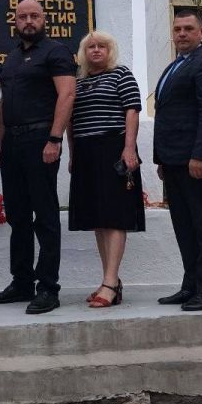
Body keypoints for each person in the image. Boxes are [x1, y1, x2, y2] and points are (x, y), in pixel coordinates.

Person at [0, 0, 76, 315]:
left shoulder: (56, 52)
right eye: (22, 16)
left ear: (44, 19)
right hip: (12, 143)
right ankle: (22, 282)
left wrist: (54, 138)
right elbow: (2, 105)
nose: (28, 21)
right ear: (15, 20)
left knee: (46, 214)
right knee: (17, 215)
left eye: (34, 16)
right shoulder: (11, 58)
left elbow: (67, 94)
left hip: (41, 140)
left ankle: (48, 287)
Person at [153, 11, 202, 312]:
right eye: (177, 29)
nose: (182, 34)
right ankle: (191, 285)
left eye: (188, 29)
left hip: (197, 161)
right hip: (174, 161)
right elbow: (169, 115)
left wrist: (199, 155)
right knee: (184, 226)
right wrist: (162, 159)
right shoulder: (175, 66)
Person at [67, 30, 145, 308]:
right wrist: (73, 155)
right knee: (99, 219)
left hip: (114, 149)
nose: (96, 50)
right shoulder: (79, 81)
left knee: (115, 216)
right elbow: (71, 122)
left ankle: (110, 282)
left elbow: (132, 111)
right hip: (86, 153)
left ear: (109, 51)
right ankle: (109, 280)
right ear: (84, 53)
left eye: (102, 46)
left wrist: (129, 149)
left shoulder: (121, 74)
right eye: (91, 47)